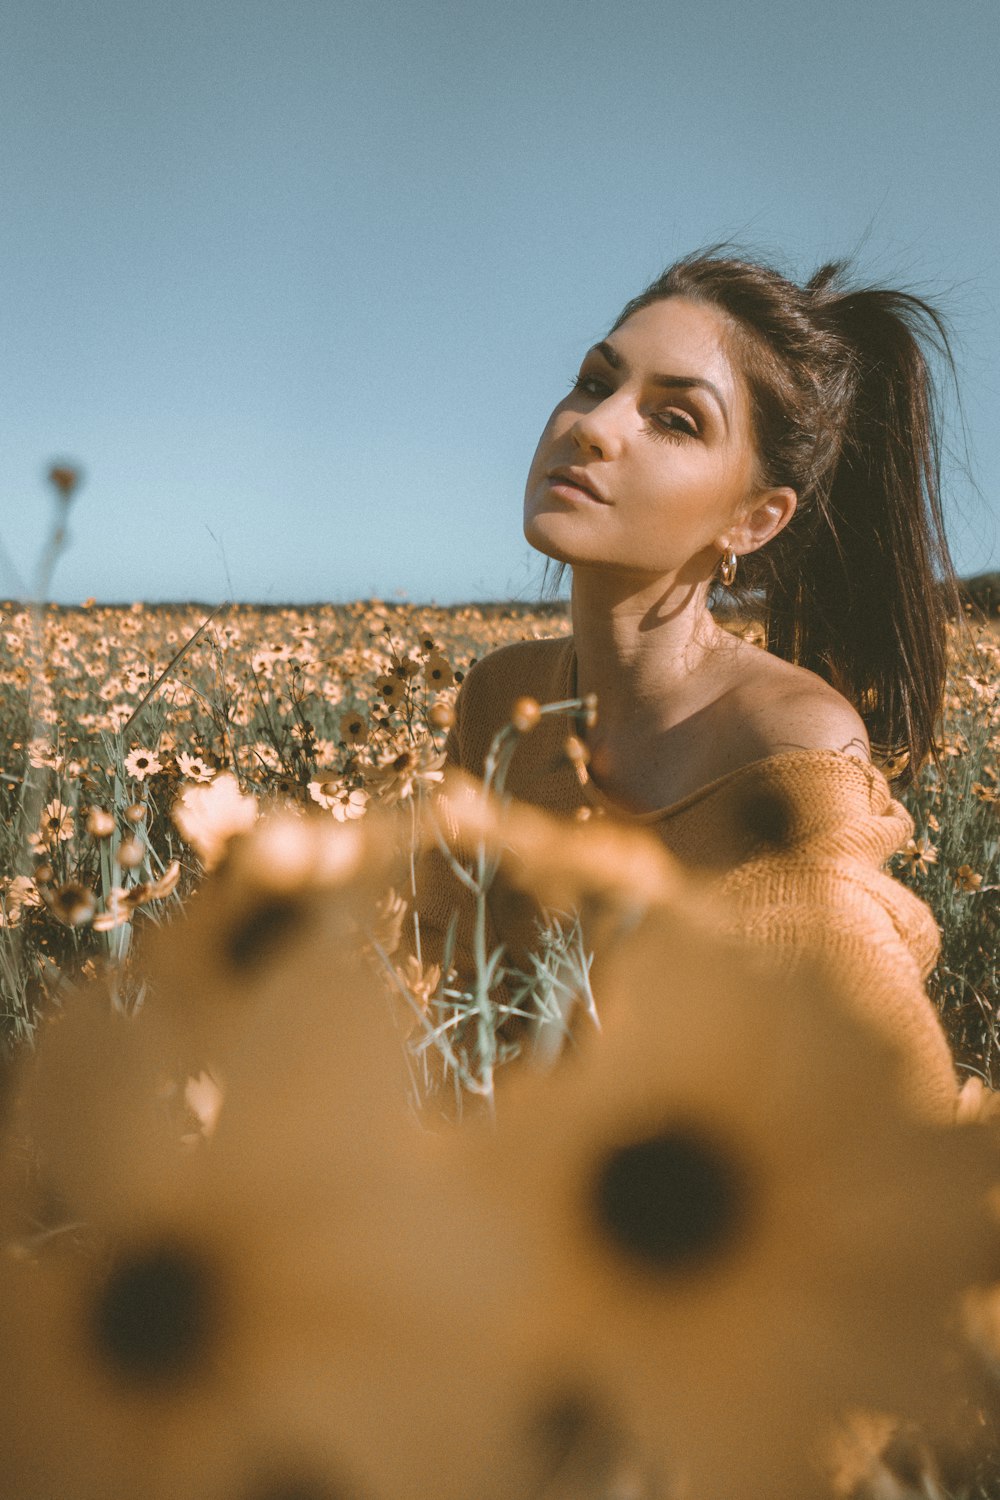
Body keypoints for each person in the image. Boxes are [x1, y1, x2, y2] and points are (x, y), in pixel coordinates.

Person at [415, 248, 962, 1121]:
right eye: (596, 381)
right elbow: (437, 973)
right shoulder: (499, 698)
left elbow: (896, 1116)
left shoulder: (793, 755)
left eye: (675, 419)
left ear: (755, 519)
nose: (594, 425)